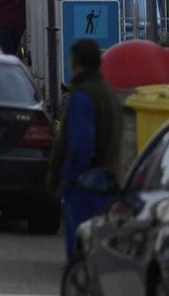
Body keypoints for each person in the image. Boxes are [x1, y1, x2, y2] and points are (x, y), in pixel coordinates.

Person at [49, 39, 123, 261]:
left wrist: (67, 178)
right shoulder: (108, 94)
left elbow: (81, 145)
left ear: (74, 63)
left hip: (85, 184)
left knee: (80, 252)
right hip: (108, 179)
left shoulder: (84, 96)